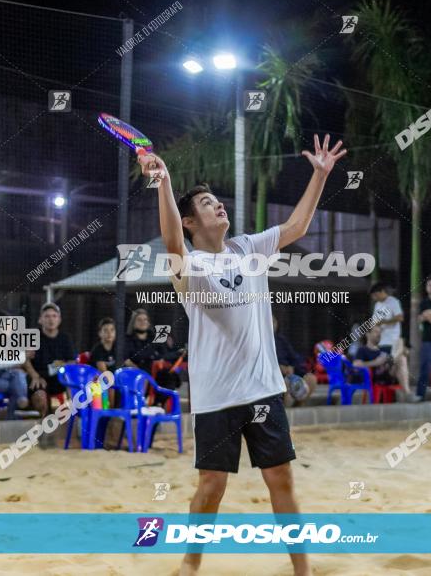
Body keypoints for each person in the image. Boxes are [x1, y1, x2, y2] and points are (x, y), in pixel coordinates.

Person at [143, 133, 346, 576]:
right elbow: (172, 241)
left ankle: (302, 570)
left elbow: (296, 228)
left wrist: (320, 174)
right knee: (211, 487)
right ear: (192, 221)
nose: (219, 206)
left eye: (218, 201)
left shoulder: (247, 249)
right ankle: (190, 565)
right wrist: (163, 181)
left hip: (262, 392)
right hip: (216, 398)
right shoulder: (189, 268)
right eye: (208, 203)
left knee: (281, 481)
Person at [21, 303, 77, 418]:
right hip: (39, 378)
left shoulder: (66, 338)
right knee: (40, 399)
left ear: (59, 320)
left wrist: (61, 366)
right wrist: (35, 375)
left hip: (59, 378)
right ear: (40, 320)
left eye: (54, 316)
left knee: (73, 385)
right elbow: (24, 360)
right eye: (47, 316)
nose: (51, 319)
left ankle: (76, 420)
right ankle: (42, 420)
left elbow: (72, 362)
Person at [369, 282, 409, 392]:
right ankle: (402, 388)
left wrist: (384, 322)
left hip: (392, 340)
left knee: (400, 360)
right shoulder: (377, 305)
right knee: (397, 362)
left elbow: (400, 318)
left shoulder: (393, 302)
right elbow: (375, 322)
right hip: (381, 342)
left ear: (382, 292)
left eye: (375, 295)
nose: (374, 298)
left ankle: (404, 389)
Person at [272, 315, 317, 407]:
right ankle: (283, 412)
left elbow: (296, 359)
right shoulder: (258, 341)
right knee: (285, 384)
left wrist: (292, 367)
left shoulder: (281, 340)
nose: (272, 325)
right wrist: (278, 368)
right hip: (274, 377)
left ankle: (298, 407)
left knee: (311, 379)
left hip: (289, 375)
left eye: (274, 322)